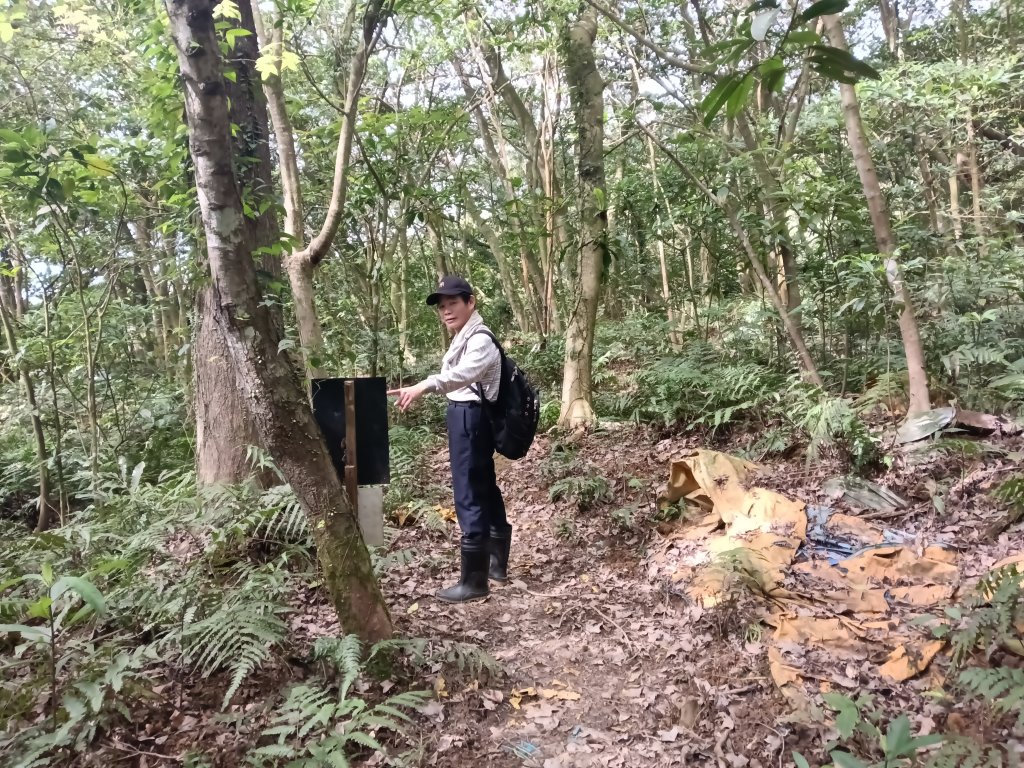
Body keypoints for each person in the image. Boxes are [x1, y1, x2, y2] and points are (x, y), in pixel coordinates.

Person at [388, 275, 512, 603]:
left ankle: (474, 581)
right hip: (470, 417)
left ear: (471, 302)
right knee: (484, 487)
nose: (446, 311)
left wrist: (423, 386)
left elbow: (462, 375)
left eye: (453, 303)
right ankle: (496, 565)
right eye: (442, 307)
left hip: (470, 419)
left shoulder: (480, 338)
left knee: (469, 492)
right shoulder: (464, 335)